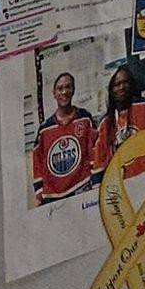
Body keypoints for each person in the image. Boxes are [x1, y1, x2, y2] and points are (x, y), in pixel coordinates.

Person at [32, 68, 101, 203]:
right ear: (54, 93)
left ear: (73, 90)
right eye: (60, 88)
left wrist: (96, 181)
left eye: (68, 87)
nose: (64, 92)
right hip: (53, 196)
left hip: (82, 188)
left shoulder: (84, 118)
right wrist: (39, 190)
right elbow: (37, 161)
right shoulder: (44, 129)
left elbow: (94, 150)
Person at [92, 59, 145, 180]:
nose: (122, 87)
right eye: (117, 84)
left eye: (125, 82)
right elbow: (100, 161)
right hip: (121, 185)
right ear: (111, 90)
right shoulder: (105, 123)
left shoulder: (143, 107)